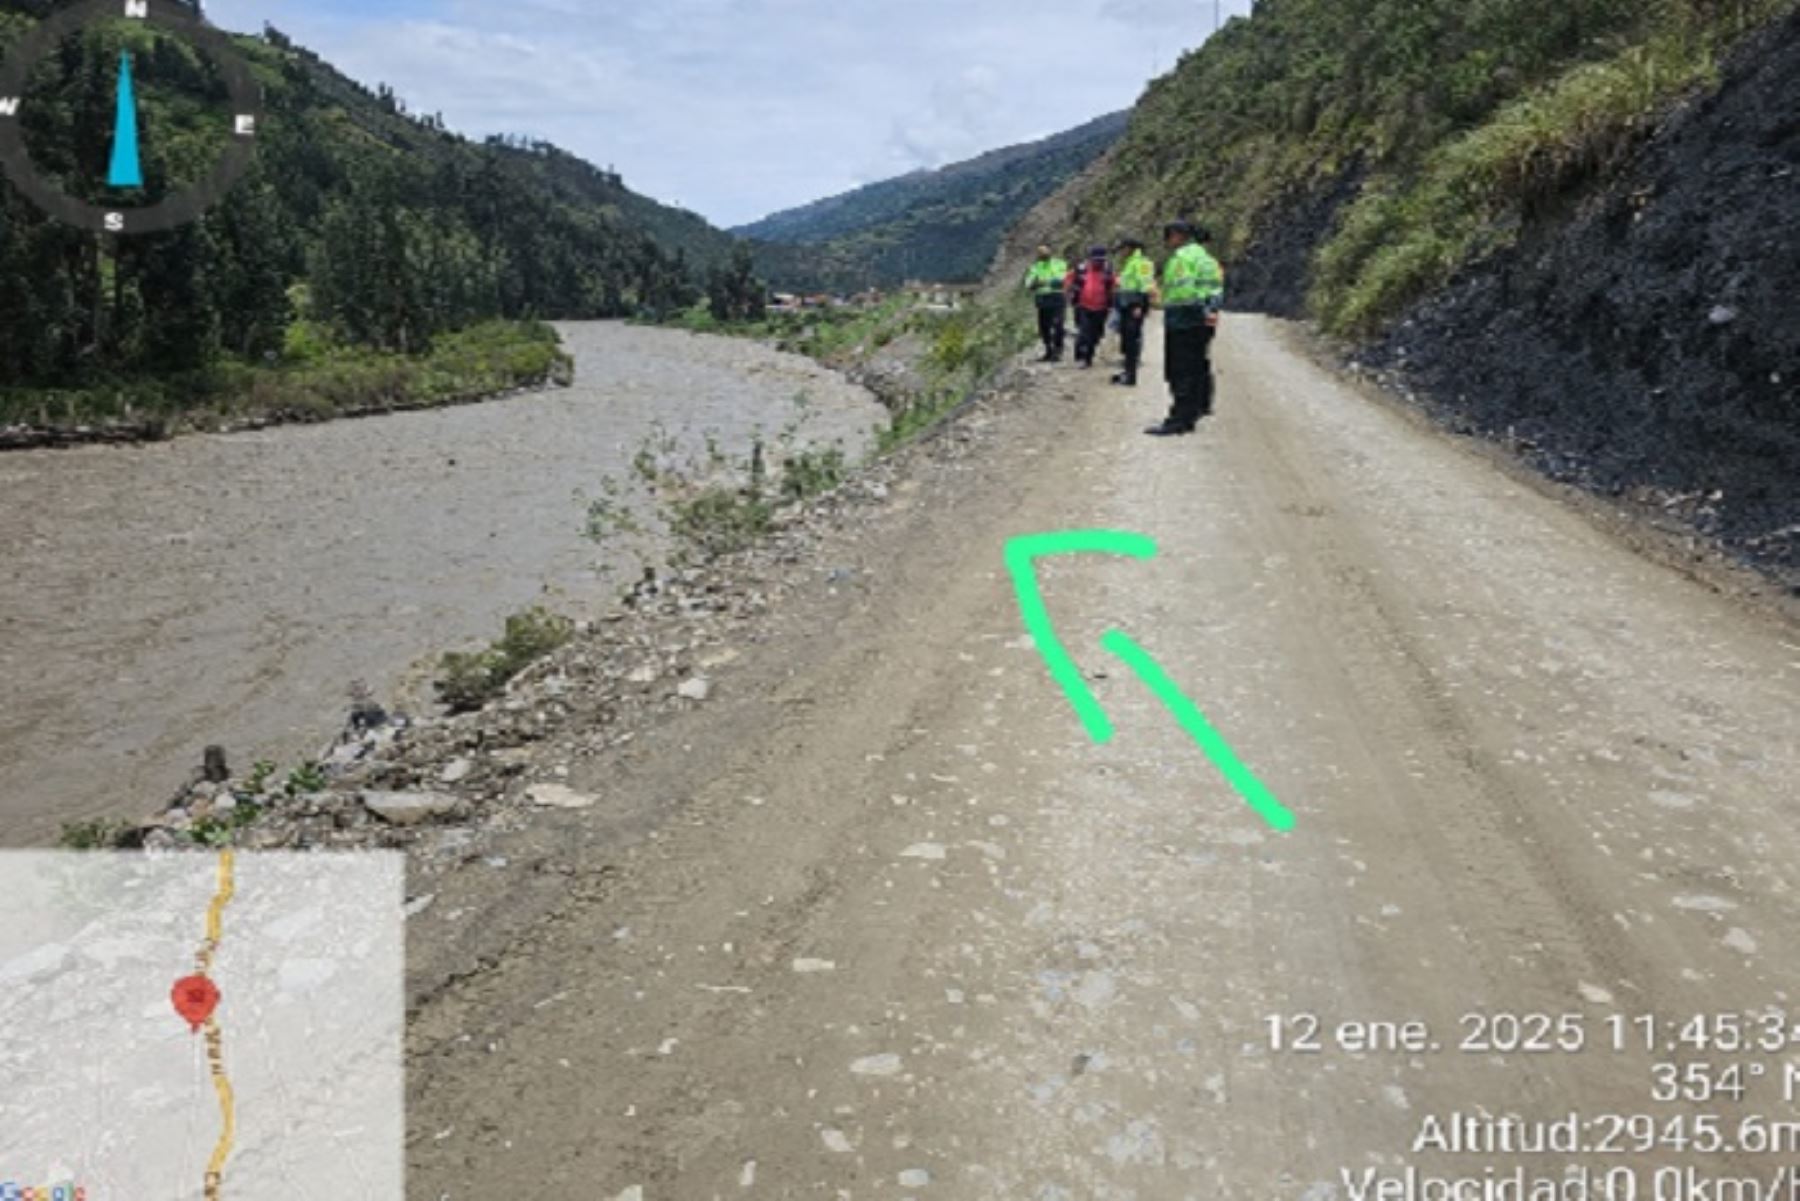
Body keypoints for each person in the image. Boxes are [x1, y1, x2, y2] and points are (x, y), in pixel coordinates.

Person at [1146, 220, 1225, 436]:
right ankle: (1194, 410)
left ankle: (1179, 419)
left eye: (1168, 236)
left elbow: (1184, 292)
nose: (1167, 241)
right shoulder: (1206, 259)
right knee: (1197, 367)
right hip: (1198, 320)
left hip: (1184, 320)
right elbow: (1213, 289)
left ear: (1178, 235)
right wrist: (1211, 311)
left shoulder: (1182, 259)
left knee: (1180, 371)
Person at [1111, 235, 1156, 387]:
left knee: (1132, 340)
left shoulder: (1143, 263)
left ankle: (1131, 376)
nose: (1121, 252)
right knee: (1126, 339)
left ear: (1130, 248)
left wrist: (1140, 305)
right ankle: (1127, 371)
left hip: (1134, 305)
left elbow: (1145, 284)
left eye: (1122, 249)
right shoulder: (1130, 263)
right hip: (1125, 304)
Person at [1065, 245, 1116, 369]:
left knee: (1095, 334)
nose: (1098, 262)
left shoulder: (1108, 270)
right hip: (1083, 305)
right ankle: (1083, 357)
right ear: (1090, 258)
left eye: (1101, 260)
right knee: (1084, 332)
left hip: (1102, 307)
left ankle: (1089, 355)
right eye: (1096, 260)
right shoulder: (1081, 269)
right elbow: (1068, 280)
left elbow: (1114, 285)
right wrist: (1068, 294)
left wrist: (1114, 302)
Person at [1023, 245, 1070, 361]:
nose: (1043, 253)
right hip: (1042, 299)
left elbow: (1062, 280)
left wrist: (1041, 282)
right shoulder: (1035, 267)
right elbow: (1028, 284)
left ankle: (1058, 350)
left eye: (1045, 251)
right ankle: (1048, 350)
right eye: (1040, 252)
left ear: (1050, 251)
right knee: (1044, 327)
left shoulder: (1060, 263)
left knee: (1058, 324)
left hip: (1057, 297)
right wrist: (1042, 283)